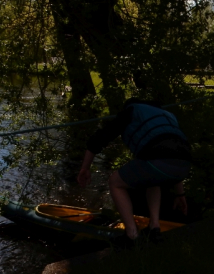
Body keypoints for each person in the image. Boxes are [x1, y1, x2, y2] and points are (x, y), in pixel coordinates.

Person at [77, 98, 191, 242]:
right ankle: (154, 227)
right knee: (153, 179)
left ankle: (131, 234)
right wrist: (180, 193)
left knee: (115, 182)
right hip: (185, 165)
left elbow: (99, 139)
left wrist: (85, 168)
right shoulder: (167, 115)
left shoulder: (132, 111)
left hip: (157, 160)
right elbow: (174, 154)